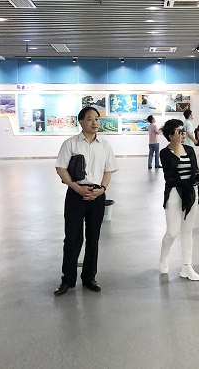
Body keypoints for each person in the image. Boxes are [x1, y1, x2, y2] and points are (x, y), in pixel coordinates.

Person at [54, 106, 118, 296]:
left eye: (97, 119)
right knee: (72, 238)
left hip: (97, 195)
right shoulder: (71, 144)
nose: (95, 122)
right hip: (76, 195)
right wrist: (76, 187)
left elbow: (108, 170)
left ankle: (89, 277)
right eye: (90, 119)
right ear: (81, 122)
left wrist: (102, 189)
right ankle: (68, 279)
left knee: (93, 237)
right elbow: (61, 168)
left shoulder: (104, 145)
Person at [159, 119, 199, 281]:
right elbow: (169, 173)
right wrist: (176, 146)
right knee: (172, 231)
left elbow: (194, 169)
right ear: (171, 136)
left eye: (183, 131)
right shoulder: (165, 153)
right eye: (179, 132)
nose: (183, 134)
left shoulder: (189, 149)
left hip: (190, 192)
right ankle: (163, 257)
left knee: (187, 231)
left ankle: (187, 266)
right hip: (174, 193)